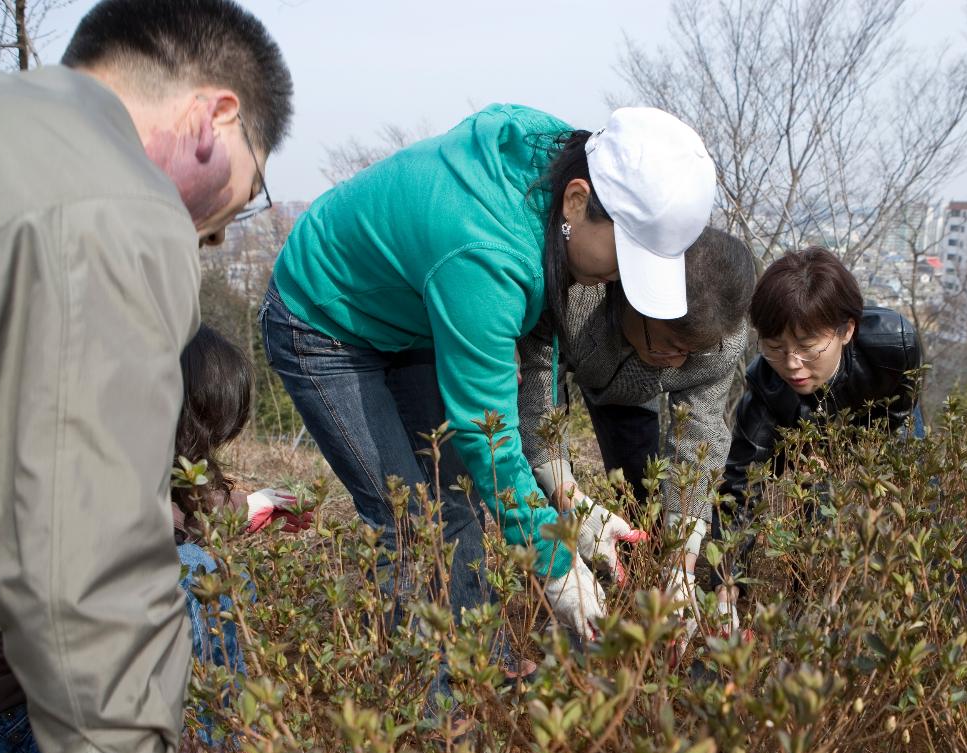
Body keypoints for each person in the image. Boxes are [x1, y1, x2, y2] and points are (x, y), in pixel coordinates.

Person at [0, 1, 293, 753]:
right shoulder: (110, 201)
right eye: (245, 193)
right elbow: (75, 548)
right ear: (216, 119)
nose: (213, 236)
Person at [262, 104, 716, 646]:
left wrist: (574, 510)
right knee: (406, 522)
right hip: (323, 317)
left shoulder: (554, 161)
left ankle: (481, 673)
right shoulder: (486, 255)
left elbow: (526, 361)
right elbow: (488, 434)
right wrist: (557, 567)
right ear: (577, 200)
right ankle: (429, 714)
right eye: (627, 254)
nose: (621, 276)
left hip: (413, 315)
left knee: (456, 501)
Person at [0, 325, 306, 753]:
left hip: (48, 719)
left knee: (201, 571)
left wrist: (254, 505)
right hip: (4, 740)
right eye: (205, 438)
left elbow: (187, 502)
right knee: (195, 572)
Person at [517, 226, 755, 640]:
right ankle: (553, 591)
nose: (678, 362)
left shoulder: (721, 339)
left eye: (690, 353)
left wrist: (681, 560)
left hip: (634, 393)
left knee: (642, 492)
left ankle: (637, 589)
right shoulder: (579, 285)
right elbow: (539, 388)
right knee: (542, 482)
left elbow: (699, 432)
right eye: (667, 345)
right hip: (576, 353)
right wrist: (565, 492)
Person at [719, 248, 922, 594]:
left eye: (808, 346)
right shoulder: (766, 392)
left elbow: (900, 419)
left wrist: (856, 465)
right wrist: (728, 580)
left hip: (881, 424)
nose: (792, 364)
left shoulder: (894, 344)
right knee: (815, 511)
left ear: (846, 331)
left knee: (915, 504)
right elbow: (741, 489)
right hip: (805, 439)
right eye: (775, 347)